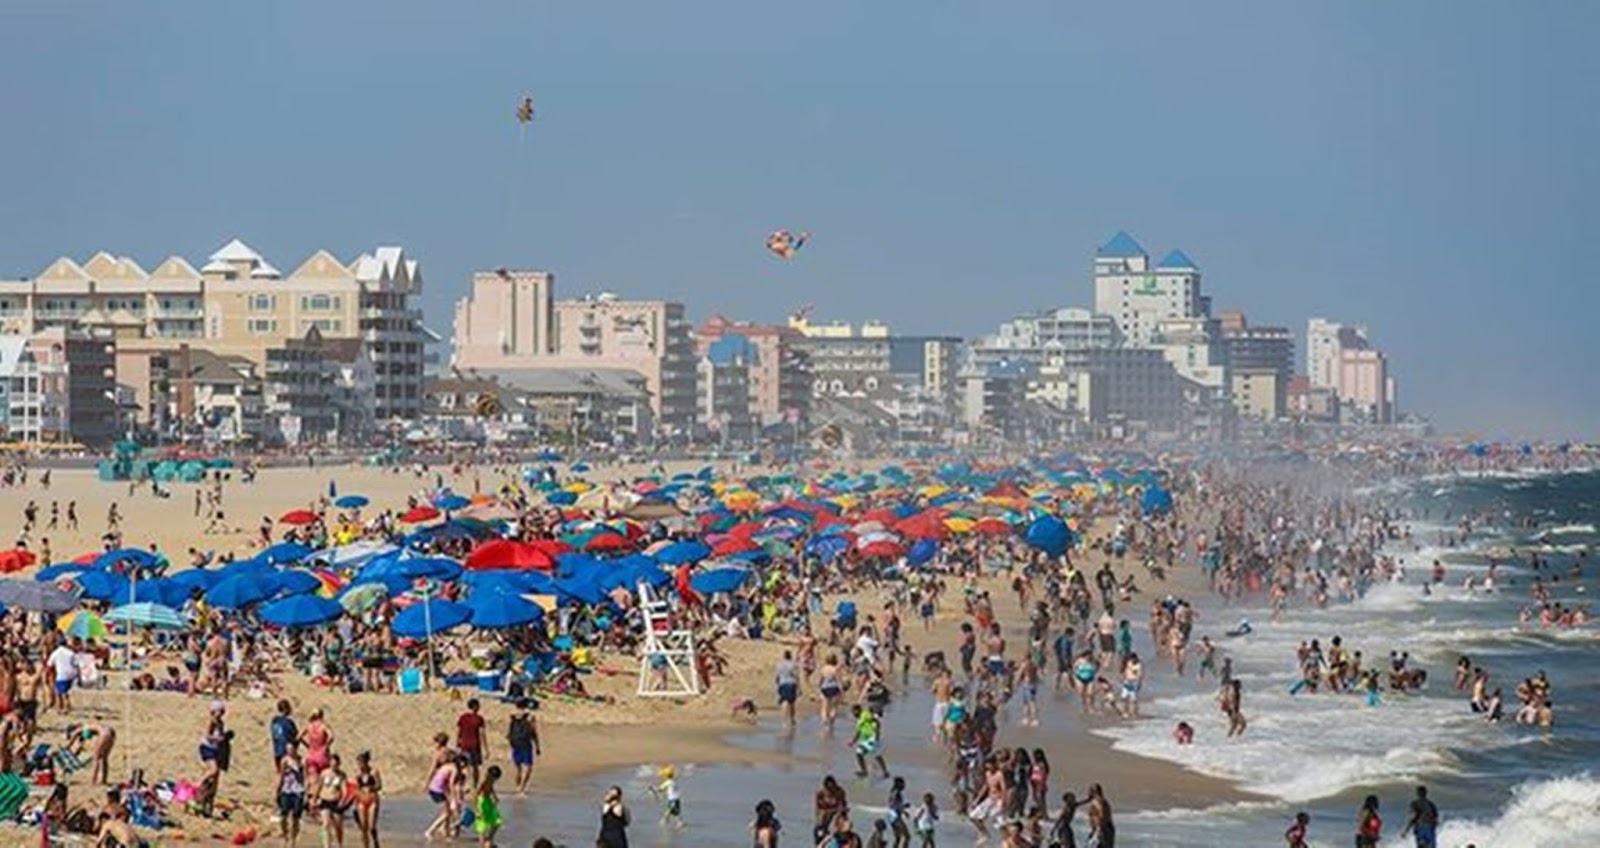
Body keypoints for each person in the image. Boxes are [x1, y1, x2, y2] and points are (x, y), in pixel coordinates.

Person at [506, 699, 540, 795]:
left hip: (515, 743)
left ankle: (517, 787)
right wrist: (537, 746)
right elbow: (534, 732)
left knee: (518, 768)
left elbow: (509, 731)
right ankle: (522, 788)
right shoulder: (530, 716)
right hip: (526, 743)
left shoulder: (512, 716)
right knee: (529, 767)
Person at [276, 747, 308, 848]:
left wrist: (306, 793)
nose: (289, 751)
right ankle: (285, 836)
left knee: (295, 817)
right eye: (288, 749)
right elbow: (281, 776)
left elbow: (305, 777)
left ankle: (293, 840)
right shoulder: (284, 760)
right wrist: (278, 790)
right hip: (286, 790)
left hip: (298, 791)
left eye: (291, 749)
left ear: (295, 749)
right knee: (283, 816)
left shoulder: (301, 761)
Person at [317, 753, 348, 848]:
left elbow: (344, 789)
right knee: (325, 825)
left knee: (338, 827)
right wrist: (315, 799)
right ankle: (327, 846)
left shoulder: (341, 775)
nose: (334, 765)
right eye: (332, 763)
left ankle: (340, 844)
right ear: (329, 763)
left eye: (336, 763)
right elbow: (319, 786)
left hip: (336, 802)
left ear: (339, 764)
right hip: (325, 800)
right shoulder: (324, 773)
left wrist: (343, 800)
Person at [352, 751, 382, 848]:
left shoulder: (374, 772)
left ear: (366, 762)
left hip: (372, 799)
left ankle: (375, 842)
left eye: (361, 763)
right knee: (363, 827)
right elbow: (356, 788)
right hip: (361, 799)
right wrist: (355, 803)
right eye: (358, 763)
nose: (359, 765)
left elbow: (379, 785)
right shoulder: (358, 774)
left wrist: (371, 788)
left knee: (371, 827)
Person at [456, 698, 487, 787]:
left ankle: (464, 784)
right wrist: (486, 748)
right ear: (475, 707)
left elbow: (458, 732)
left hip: (464, 745)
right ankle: (474, 785)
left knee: (465, 766)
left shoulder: (463, 717)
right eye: (478, 705)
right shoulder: (479, 719)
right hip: (475, 745)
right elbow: (482, 734)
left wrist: (457, 743)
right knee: (475, 767)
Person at [473, 765, 503, 847]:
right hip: (481, 802)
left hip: (488, 801)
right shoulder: (483, 782)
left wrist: (495, 797)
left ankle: (489, 838)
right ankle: (482, 845)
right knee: (482, 825)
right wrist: (477, 810)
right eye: (495, 778)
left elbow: (491, 788)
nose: (495, 780)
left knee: (497, 821)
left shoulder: (491, 781)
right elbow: (475, 795)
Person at [48, 638, 78, 714]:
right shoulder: (70, 653)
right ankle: (62, 707)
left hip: (61, 674)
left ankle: (64, 707)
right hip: (71, 674)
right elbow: (76, 664)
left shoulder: (56, 653)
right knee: (64, 691)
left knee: (61, 693)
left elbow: (49, 664)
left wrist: (48, 674)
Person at [270, 699, 298, 770]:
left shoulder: (274, 721)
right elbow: (293, 735)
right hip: (286, 750)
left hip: (277, 750)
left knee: (280, 772)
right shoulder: (288, 722)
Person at [775, 650, 800, 727]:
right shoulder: (793, 664)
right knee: (792, 702)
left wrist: (777, 685)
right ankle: (792, 719)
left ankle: (784, 721)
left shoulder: (779, 665)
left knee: (784, 702)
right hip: (791, 684)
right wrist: (799, 686)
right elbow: (796, 676)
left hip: (783, 683)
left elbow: (777, 676)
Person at [1084, 784, 1114, 848]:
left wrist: (1099, 828)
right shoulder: (1102, 800)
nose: (1087, 793)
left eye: (1089, 791)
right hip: (1106, 828)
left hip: (1102, 828)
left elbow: (1101, 813)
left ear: (1093, 792)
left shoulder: (1097, 801)